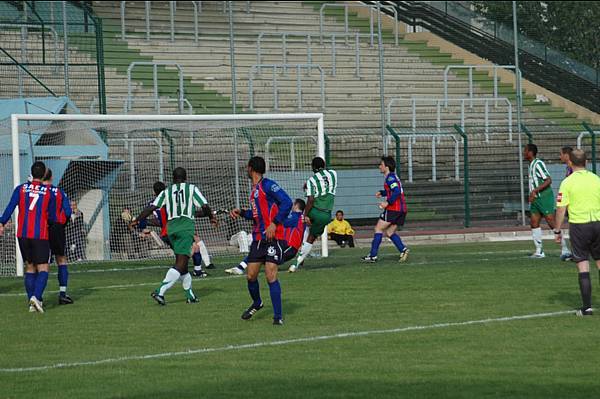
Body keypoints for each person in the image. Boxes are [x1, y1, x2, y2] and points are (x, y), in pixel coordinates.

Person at [130, 167, 217, 305]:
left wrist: (137, 219)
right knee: (181, 263)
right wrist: (211, 217)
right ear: (185, 178)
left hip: (171, 230)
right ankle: (160, 291)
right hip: (185, 228)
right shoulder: (191, 189)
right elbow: (204, 205)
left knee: (182, 265)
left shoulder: (166, 191)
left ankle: (191, 296)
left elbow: (151, 207)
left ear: (173, 178)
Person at [229, 156, 292, 325]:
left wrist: (275, 223)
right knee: (250, 276)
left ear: (251, 168)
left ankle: (278, 317)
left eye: (247, 168)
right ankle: (257, 303)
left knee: (271, 275)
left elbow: (287, 202)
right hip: (258, 239)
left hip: (272, 237)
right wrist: (242, 212)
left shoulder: (268, 185)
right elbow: (255, 215)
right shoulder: (254, 190)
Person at [0, 161, 56, 313]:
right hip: (40, 234)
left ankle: (32, 303)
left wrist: (1, 222)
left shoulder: (20, 189)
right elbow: (52, 216)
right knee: (43, 267)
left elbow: (10, 207)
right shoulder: (49, 192)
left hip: (22, 234)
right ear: (44, 174)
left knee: (30, 267)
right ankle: (36, 297)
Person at [553, 149, 600, 316]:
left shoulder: (568, 182)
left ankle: (586, 307)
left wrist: (557, 230)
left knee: (582, 265)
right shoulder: (596, 179)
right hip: (598, 224)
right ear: (586, 162)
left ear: (570, 163)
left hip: (579, 226)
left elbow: (560, 209)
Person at [226, 199, 305, 275]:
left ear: (296, 205)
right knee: (259, 252)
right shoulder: (302, 218)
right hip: (287, 246)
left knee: (262, 255)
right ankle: (240, 268)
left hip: (289, 247)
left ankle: (240, 268)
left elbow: (281, 221)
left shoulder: (295, 216)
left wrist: (268, 220)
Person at [288, 157, 337, 273]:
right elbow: (326, 176)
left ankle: (296, 253)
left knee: (303, 224)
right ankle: (296, 263)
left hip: (315, 211)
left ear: (313, 167)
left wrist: (306, 215)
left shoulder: (311, 180)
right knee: (311, 237)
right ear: (324, 165)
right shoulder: (334, 174)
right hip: (326, 215)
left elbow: (310, 199)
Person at [524, 144, 570, 259]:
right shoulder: (530, 165)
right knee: (534, 222)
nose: (523, 153)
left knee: (551, 222)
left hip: (544, 197)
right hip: (536, 199)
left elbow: (548, 180)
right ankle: (539, 251)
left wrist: (535, 190)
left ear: (530, 152)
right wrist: (532, 193)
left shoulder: (538, 164)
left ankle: (565, 249)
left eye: (525, 151)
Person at [362, 156, 409, 263]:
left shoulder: (390, 178)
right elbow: (393, 190)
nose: (379, 167)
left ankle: (373, 255)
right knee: (389, 232)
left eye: (381, 165)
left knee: (378, 229)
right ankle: (403, 249)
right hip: (402, 209)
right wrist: (382, 192)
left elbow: (396, 191)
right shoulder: (392, 177)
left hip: (394, 209)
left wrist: (387, 203)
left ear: (387, 167)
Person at [43, 169, 74, 305]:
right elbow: (68, 212)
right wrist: (61, 225)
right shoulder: (60, 192)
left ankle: (37, 296)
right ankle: (62, 294)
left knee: (41, 263)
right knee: (61, 260)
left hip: (41, 228)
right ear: (52, 177)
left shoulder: (37, 191)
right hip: (57, 228)